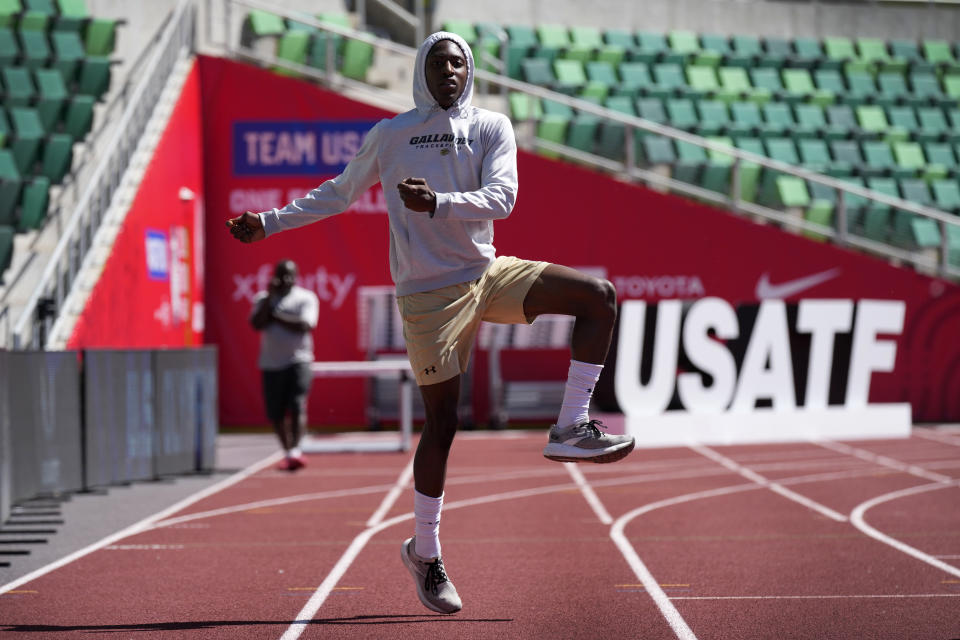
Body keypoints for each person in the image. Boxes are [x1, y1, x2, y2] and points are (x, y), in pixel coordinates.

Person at [227, 31, 635, 613]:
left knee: (598, 297)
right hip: (428, 294)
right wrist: (267, 223)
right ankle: (425, 549)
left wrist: (439, 202)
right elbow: (339, 194)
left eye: (460, 62)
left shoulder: (492, 125)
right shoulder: (391, 135)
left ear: (470, 72)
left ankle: (571, 425)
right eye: (440, 62)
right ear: (422, 70)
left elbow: (504, 198)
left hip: (487, 273)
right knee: (443, 422)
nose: (451, 70)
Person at [249, 259, 320, 471]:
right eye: (281, 275)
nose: (286, 280)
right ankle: (288, 452)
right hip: (271, 363)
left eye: (290, 275)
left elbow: (304, 325)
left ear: (296, 276)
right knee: (276, 412)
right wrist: (270, 298)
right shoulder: (263, 299)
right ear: (274, 276)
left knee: (297, 403)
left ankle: (296, 449)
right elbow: (256, 324)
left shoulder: (305, 298)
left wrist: (276, 315)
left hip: (298, 360)